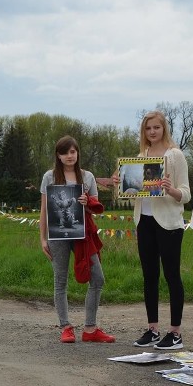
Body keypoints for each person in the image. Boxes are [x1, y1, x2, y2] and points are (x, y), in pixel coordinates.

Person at [124, 111, 191, 350]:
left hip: (169, 223)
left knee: (172, 275)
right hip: (145, 221)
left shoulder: (175, 156)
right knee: (149, 276)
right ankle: (153, 329)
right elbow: (135, 193)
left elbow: (186, 193)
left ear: (164, 129)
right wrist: (122, 185)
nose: (152, 132)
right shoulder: (140, 157)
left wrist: (171, 190)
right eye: (148, 128)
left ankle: (175, 333)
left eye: (156, 128)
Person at [40, 136, 114, 343]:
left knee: (97, 278)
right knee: (60, 280)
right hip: (57, 236)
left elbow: (96, 207)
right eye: (65, 152)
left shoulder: (87, 177)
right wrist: (42, 238)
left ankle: (90, 328)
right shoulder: (49, 177)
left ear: (77, 153)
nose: (69, 156)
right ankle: (65, 326)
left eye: (72, 152)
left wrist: (86, 201)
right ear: (58, 155)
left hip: (83, 235)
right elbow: (44, 209)